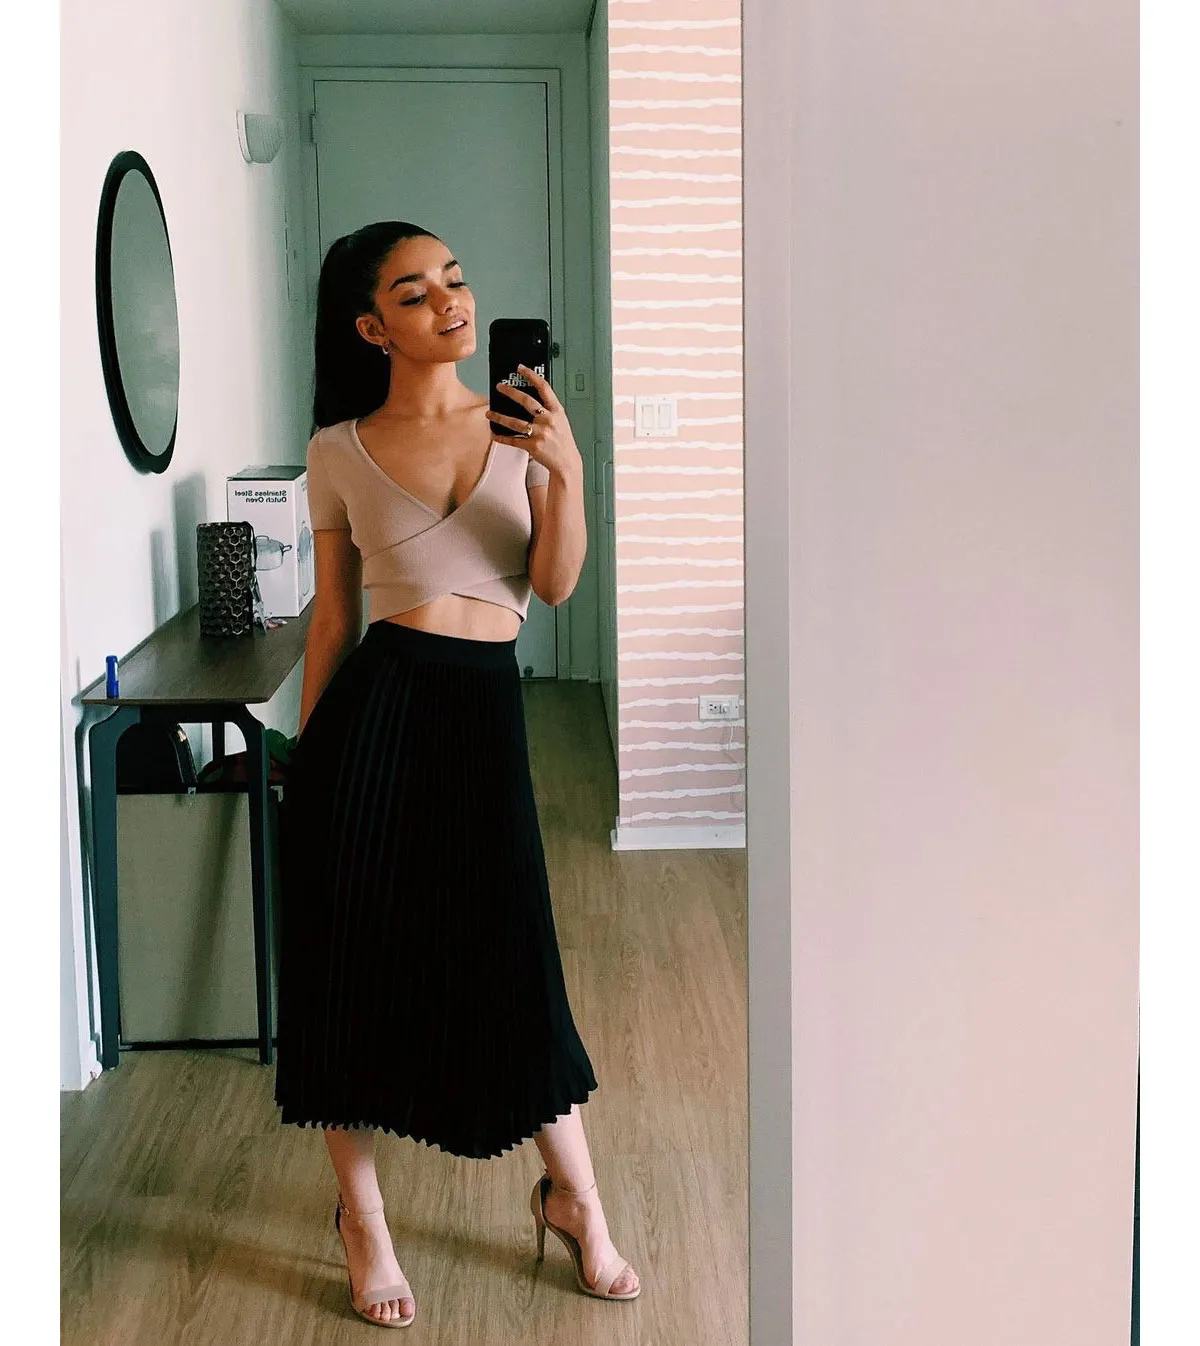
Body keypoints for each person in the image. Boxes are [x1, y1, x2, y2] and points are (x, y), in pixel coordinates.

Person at [273, 221, 640, 1327]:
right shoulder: (337, 450)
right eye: (415, 292)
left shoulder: (522, 428)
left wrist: (568, 471)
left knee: (513, 963)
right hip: (372, 722)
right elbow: (334, 619)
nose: (451, 301)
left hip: (483, 718)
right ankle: (364, 1221)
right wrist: (305, 764)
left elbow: (555, 585)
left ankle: (575, 1198)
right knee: (347, 974)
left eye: (456, 279)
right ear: (370, 327)